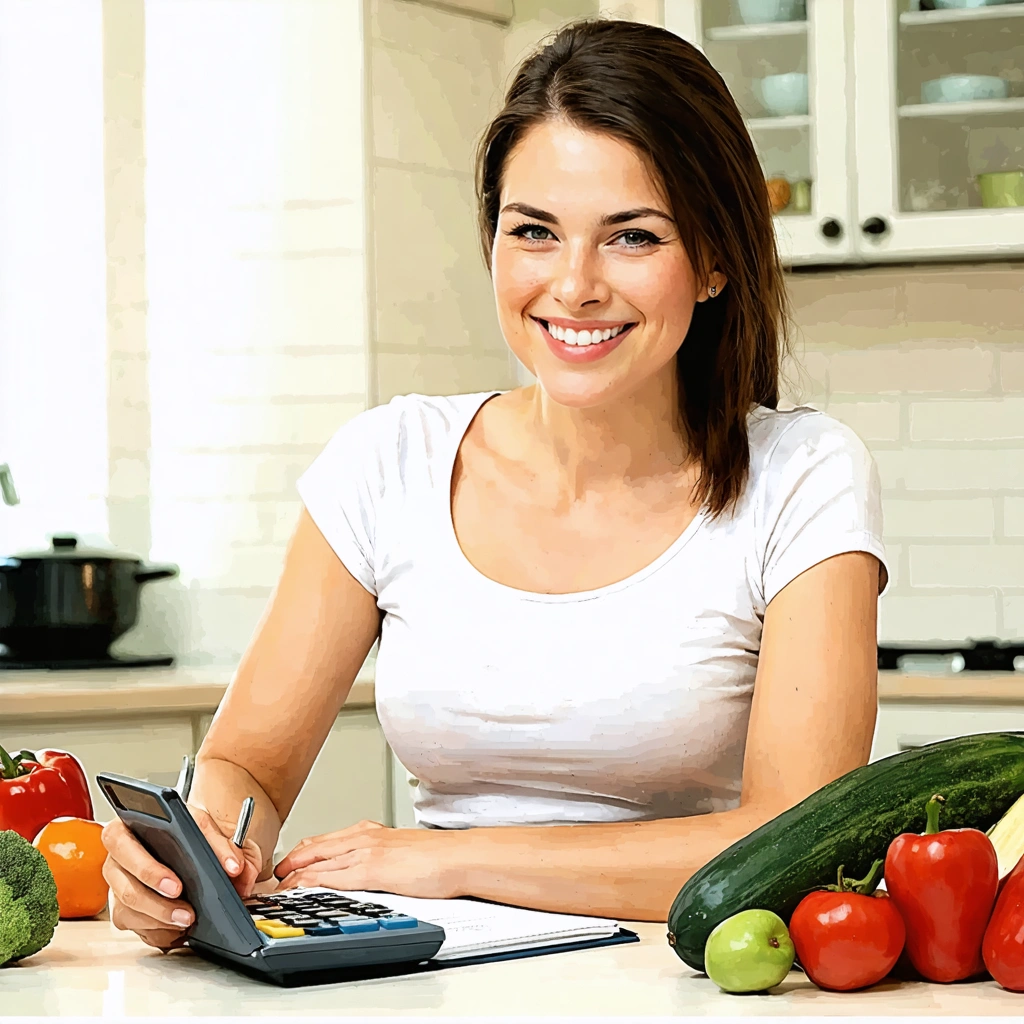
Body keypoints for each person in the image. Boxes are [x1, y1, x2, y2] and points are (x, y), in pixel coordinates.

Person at [101, 18, 888, 951]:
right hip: (433, 975)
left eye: (632, 236)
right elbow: (247, 766)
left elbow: (787, 842)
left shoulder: (803, 475)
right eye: (534, 233)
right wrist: (194, 860)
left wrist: (457, 858)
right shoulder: (387, 461)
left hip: (694, 980)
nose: (574, 284)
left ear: (714, 259)